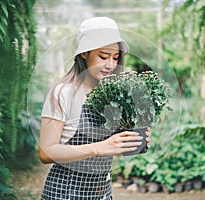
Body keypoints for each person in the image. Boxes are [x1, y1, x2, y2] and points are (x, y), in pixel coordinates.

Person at [39, 16, 151, 200]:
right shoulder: (62, 92)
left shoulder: (109, 94)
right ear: (84, 53)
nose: (110, 65)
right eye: (103, 56)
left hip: (102, 193)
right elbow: (46, 152)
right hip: (66, 193)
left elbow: (108, 147)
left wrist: (129, 142)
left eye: (115, 58)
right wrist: (100, 147)